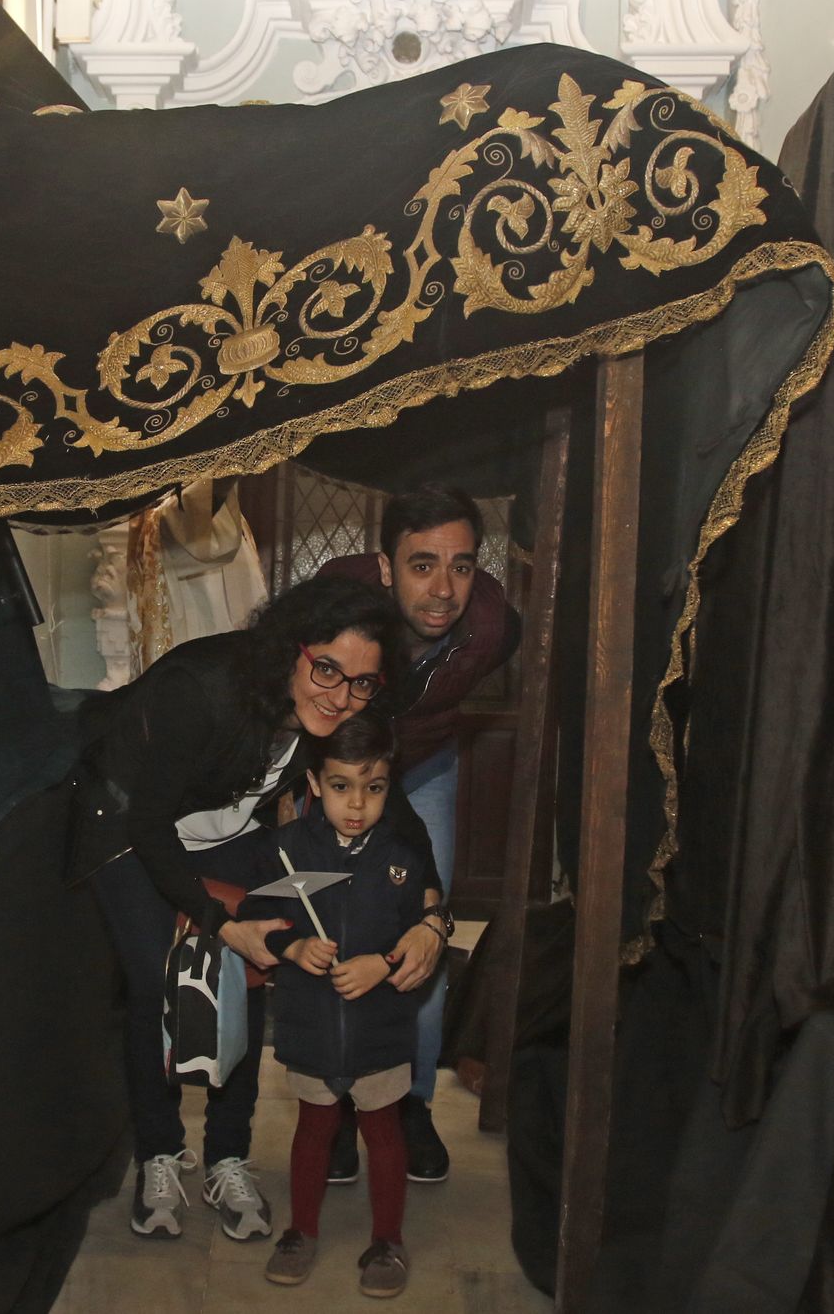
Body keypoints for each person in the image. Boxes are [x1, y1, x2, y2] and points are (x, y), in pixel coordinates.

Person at [68, 576, 449, 1242]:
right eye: (327, 669)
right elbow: (151, 823)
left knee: (249, 976)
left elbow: (402, 817)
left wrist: (432, 914)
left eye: (362, 682)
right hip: (128, 823)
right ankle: (159, 1151)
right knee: (158, 978)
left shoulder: (347, 705)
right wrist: (219, 922)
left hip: (228, 829)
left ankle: (226, 1158)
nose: (339, 696)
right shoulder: (203, 688)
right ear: (292, 650)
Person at [318, 483, 521, 1182]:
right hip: (340, 772)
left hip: (426, 768)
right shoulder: (337, 596)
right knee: (339, 932)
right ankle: (339, 1106)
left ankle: (410, 1104)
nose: (444, 589)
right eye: (423, 564)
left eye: (462, 566)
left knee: (424, 929)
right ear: (384, 566)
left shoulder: (493, 628)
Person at [243, 712, 426, 1298]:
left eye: (373, 789)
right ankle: (301, 1231)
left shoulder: (402, 858)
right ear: (315, 784)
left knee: (385, 1133)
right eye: (341, 786)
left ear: (388, 787)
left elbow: (420, 934)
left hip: (380, 1028)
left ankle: (388, 1241)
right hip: (313, 1025)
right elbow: (256, 925)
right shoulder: (285, 851)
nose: (356, 804)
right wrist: (293, 946)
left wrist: (385, 964)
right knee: (313, 1129)